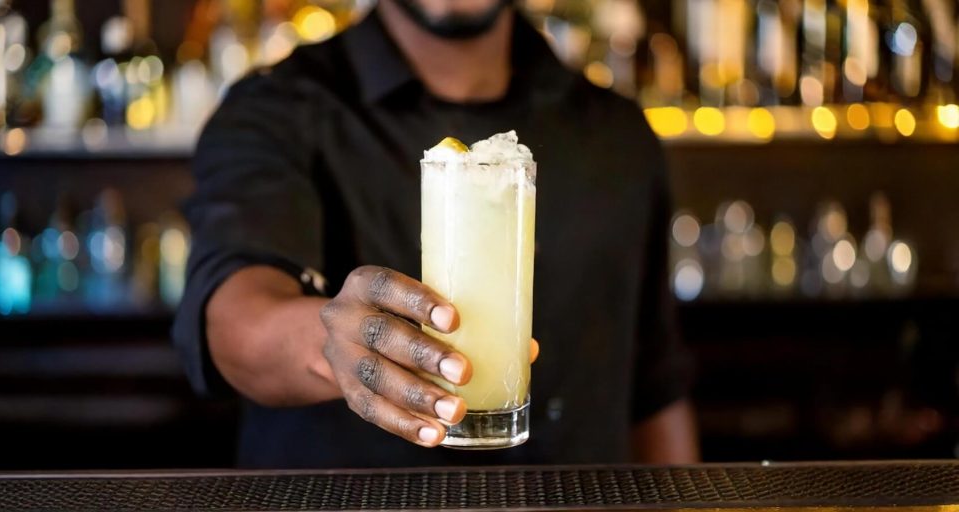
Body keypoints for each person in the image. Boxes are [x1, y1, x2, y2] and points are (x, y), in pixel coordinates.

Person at [173, 0, 699, 469]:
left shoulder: (620, 131)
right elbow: (232, 318)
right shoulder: (275, 109)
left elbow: (654, 388)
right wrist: (334, 345)